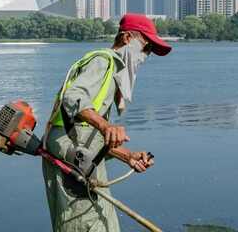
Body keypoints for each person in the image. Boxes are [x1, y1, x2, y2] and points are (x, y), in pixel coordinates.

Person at [42, 13, 172, 232]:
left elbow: (91, 136)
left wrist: (128, 156)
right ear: (127, 38)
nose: (146, 55)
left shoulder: (112, 71)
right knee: (87, 223)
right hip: (74, 156)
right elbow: (73, 97)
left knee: (104, 222)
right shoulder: (104, 61)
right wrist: (105, 125)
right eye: (146, 47)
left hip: (81, 155)